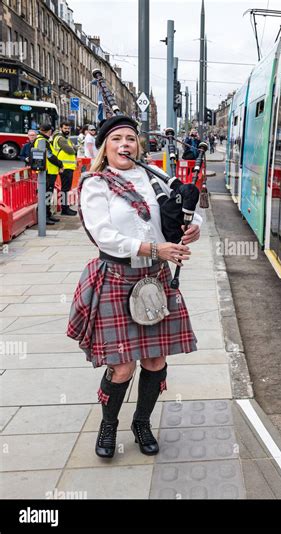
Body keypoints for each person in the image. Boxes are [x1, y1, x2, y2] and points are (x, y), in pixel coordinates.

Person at [67, 115, 202, 459]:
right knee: (123, 364)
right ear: (104, 148)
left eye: (130, 138)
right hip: (117, 276)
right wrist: (156, 249)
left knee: (155, 360)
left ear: (138, 146)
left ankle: (142, 423)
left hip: (155, 278)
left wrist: (192, 227)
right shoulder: (96, 184)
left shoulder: (152, 177)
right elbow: (105, 236)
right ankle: (108, 425)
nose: (124, 144)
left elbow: (181, 211)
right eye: (116, 140)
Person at [33, 124, 63, 225]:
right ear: (48, 131)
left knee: (48, 194)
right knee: (45, 194)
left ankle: (48, 214)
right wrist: (60, 164)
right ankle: (44, 217)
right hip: (47, 172)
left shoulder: (42, 140)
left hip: (49, 171)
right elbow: (50, 156)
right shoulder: (42, 141)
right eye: (51, 131)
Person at [52, 121, 77, 216]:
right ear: (61, 128)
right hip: (64, 167)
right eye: (65, 128)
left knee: (66, 188)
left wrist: (74, 148)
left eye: (68, 128)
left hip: (67, 167)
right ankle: (65, 209)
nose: (67, 130)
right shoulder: (61, 138)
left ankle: (65, 208)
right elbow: (71, 150)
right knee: (65, 188)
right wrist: (74, 148)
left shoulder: (66, 138)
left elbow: (76, 148)